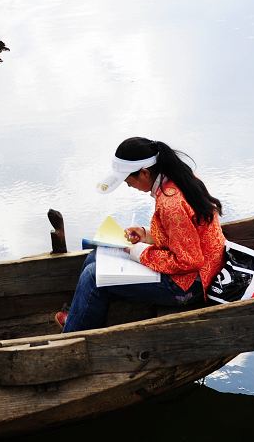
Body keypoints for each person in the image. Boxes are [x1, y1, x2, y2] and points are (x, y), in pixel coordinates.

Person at [58, 137, 227, 332]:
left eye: (129, 182)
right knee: (94, 258)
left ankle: (71, 336)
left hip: (191, 284)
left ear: (145, 173)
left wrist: (138, 251)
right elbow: (183, 234)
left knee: (93, 276)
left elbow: (189, 261)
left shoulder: (170, 203)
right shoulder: (181, 179)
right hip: (200, 269)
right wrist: (146, 235)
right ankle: (79, 317)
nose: (131, 187)